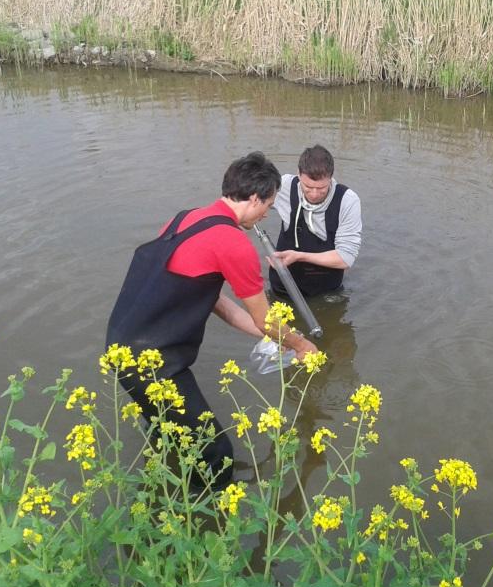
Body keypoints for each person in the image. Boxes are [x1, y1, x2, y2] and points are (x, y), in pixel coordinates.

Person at [105, 151, 317, 488]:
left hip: (120, 345)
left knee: (167, 431)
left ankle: (165, 495)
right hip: (154, 362)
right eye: (268, 205)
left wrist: (272, 339)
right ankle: (210, 522)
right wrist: (302, 344)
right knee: (216, 452)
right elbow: (266, 320)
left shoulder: (185, 219)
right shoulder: (233, 242)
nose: (266, 214)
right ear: (253, 198)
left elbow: (220, 304)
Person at [270, 145, 362, 297]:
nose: (314, 194)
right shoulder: (284, 186)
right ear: (298, 174)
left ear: (331, 177)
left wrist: (300, 256)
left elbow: (345, 258)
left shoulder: (348, 201)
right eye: (308, 186)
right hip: (282, 288)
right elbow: (250, 200)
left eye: (321, 188)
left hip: (326, 294)